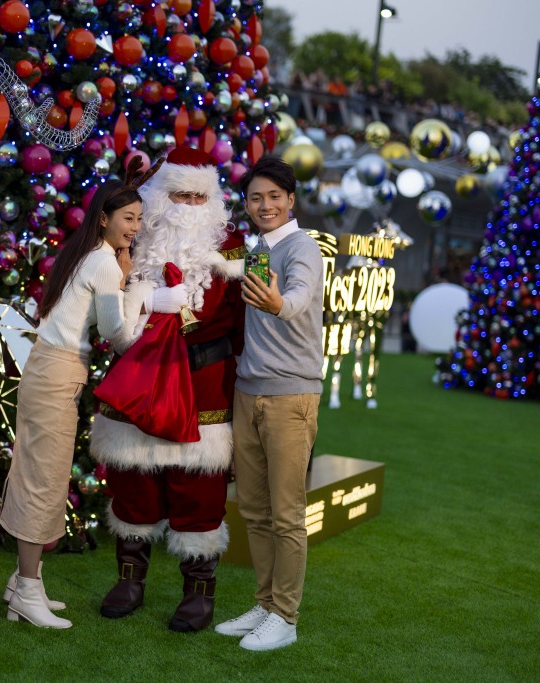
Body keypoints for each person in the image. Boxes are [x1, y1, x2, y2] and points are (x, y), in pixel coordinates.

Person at [90, 145, 245, 632]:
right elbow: (106, 302)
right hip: (139, 380)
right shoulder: (132, 238)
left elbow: (237, 319)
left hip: (204, 386)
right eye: (178, 194)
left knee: (197, 489)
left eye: (198, 197)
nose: (187, 207)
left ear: (213, 201)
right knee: (133, 480)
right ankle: (129, 580)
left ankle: (198, 591)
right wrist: (148, 301)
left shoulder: (233, 246)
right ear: (159, 194)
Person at [0, 162, 157, 629]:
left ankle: (24, 583)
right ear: (104, 218)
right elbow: (120, 336)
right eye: (128, 218)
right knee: (43, 478)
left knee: (36, 470)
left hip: (49, 368)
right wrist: (142, 294)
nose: (136, 227)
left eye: (139, 219)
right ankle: (27, 590)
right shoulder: (104, 263)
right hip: (58, 372)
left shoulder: (88, 254)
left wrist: (125, 278)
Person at [214, 156, 323, 651]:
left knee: (287, 515)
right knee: (255, 512)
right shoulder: (256, 247)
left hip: (290, 396)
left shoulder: (302, 248)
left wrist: (280, 304)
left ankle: (286, 616)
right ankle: (264, 604)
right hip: (248, 392)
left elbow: (299, 296)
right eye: (256, 198)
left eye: (274, 196)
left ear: (291, 199)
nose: (265, 205)